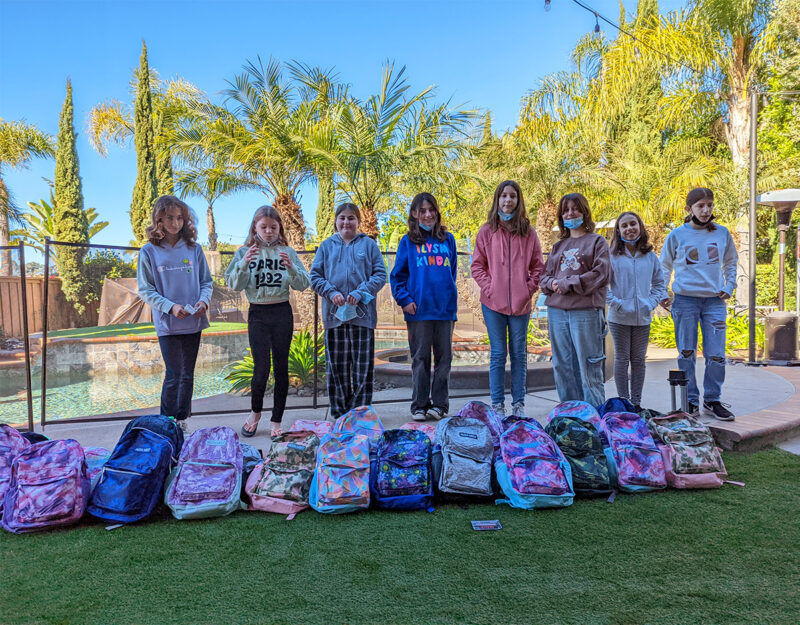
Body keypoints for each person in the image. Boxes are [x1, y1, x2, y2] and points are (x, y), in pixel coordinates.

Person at [226, 206, 310, 438]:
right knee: (261, 368)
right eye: (264, 227)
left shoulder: (288, 252)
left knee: (281, 368)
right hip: (258, 314)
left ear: (280, 227)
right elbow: (234, 285)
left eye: (274, 227)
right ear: (255, 228)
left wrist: (291, 268)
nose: (269, 231)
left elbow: (303, 284)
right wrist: (244, 263)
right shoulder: (244, 251)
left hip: (282, 311)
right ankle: (255, 414)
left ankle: (276, 420)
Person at [660, 187, 738, 420]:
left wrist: (729, 286)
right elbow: (664, 266)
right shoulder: (676, 235)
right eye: (700, 206)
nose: (706, 210)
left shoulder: (722, 233)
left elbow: (731, 262)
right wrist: (663, 292)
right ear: (689, 209)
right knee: (686, 353)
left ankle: (712, 400)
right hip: (685, 301)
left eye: (710, 205)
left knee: (716, 354)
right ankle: (690, 401)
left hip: (714, 302)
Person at [137, 195, 213, 433]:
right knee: (173, 375)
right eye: (169, 217)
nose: (175, 223)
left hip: (194, 322)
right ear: (158, 218)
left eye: (180, 217)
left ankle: (181, 421)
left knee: (187, 375)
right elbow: (145, 290)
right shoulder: (149, 251)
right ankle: (166, 424)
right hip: (168, 324)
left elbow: (206, 282)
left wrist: (203, 301)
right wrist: (171, 307)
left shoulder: (194, 249)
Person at [471, 180, 544, 417]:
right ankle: (497, 404)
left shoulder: (528, 232)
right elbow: (477, 266)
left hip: (521, 305)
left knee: (519, 354)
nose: (508, 200)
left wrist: (528, 289)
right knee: (498, 353)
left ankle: (519, 404)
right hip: (492, 304)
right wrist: (489, 287)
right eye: (503, 196)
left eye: (512, 196)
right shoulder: (487, 231)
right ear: (497, 199)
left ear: (518, 200)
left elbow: (538, 267)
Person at [310, 203, 387, 419]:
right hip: (334, 318)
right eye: (342, 218)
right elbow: (315, 277)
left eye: (351, 218)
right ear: (335, 221)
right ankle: (340, 414)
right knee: (337, 368)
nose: (346, 222)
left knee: (362, 369)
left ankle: (361, 414)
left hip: (363, 317)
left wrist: (361, 292)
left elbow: (380, 274)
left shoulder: (369, 245)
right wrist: (330, 292)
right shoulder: (326, 246)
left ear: (358, 221)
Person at [390, 192, 458, 421]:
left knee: (444, 360)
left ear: (437, 212)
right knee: (420, 360)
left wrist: (447, 297)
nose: (428, 215)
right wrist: (405, 300)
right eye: (423, 211)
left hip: (445, 311)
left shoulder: (448, 239)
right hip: (418, 312)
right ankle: (419, 404)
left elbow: (453, 272)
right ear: (414, 214)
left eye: (432, 210)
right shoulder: (407, 241)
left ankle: (439, 405)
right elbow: (397, 276)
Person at [540, 192, 611, 407]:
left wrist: (567, 284)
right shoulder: (558, 246)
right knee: (563, 366)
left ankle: (594, 416)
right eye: (566, 210)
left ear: (585, 212)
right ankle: (570, 414)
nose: (571, 213)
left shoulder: (597, 242)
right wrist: (550, 283)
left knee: (589, 365)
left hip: (586, 312)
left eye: (575, 208)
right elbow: (544, 275)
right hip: (557, 313)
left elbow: (601, 273)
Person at [606, 211, 668, 410]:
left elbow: (659, 284)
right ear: (618, 231)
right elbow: (602, 286)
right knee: (622, 358)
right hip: (619, 317)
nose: (629, 229)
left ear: (640, 227)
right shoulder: (612, 256)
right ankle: (624, 402)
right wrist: (617, 304)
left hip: (642, 317)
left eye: (633, 224)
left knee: (639, 360)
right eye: (624, 226)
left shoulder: (649, 256)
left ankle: (637, 402)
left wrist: (649, 303)